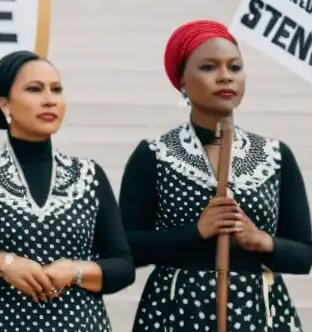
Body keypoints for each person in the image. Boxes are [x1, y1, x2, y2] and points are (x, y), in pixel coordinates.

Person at [120, 20, 312, 331]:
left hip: (258, 313)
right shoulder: (154, 155)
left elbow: (304, 256)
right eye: (209, 68)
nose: (225, 76)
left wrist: (262, 241)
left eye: (234, 67)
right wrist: (197, 230)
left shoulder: (276, 155)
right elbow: (127, 248)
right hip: (176, 311)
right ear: (181, 78)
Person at [0, 50, 134, 332]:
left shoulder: (89, 175)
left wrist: (74, 271)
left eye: (57, 89)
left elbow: (123, 266)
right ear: (5, 104)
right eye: (34, 89)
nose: (49, 99)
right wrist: (2, 264)